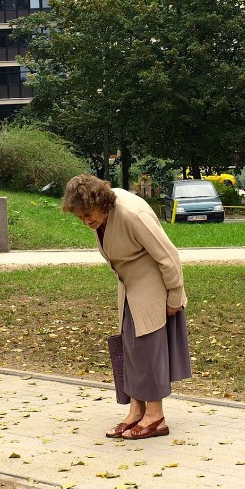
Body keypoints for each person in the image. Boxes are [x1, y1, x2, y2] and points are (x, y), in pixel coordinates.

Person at [61, 173, 192, 440]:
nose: (86, 221)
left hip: (154, 282)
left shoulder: (132, 214)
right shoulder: (102, 217)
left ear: (102, 202)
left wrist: (174, 296)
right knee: (130, 347)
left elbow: (170, 256)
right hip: (129, 285)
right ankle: (136, 412)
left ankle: (156, 417)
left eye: (89, 215)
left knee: (148, 346)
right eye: (80, 217)